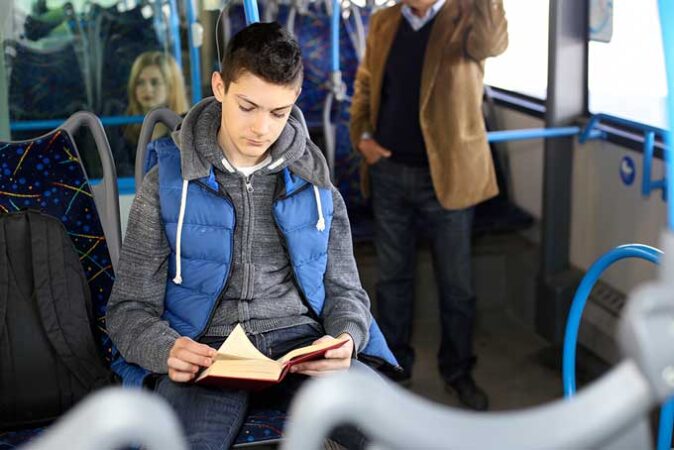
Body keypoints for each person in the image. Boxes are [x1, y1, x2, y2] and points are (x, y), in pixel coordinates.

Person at [106, 22, 397, 448]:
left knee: (397, 431)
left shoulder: (315, 182)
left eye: (278, 113)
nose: (261, 128)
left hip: (301, 345)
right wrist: (166, 349)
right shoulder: (166, 183)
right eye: (248, 106)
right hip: (206, 349)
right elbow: (128, 309)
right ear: (219, 86)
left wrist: (346, 338)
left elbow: (346, 291)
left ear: (294, 100)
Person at [349, 0, 508, 411]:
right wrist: (363, 137)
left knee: (457, 287)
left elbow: (492, 43)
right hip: (389, 171)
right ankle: (395, 367)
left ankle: (458, 372)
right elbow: (366, 83)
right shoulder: (384, 20)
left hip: (449, 176)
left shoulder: (468, 15)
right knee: (392, 281)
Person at [113, 51, 189, 175]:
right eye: (140, 83)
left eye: (154, 82)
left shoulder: (185, 131)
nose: (147, 89)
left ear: (171, 87)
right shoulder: (125, 131)